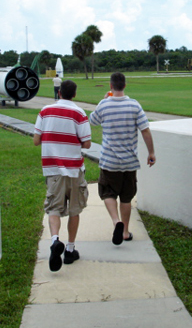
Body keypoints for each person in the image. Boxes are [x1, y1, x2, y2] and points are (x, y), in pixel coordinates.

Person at [89, 72, 156, 245]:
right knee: (126, 198)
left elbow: (93, 120)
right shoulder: (134, 105)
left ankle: (115, 221)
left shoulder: (104, 104)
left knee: (108, 192)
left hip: (109, 160)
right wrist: (151, 152)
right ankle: (125, 231)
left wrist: (103, 100)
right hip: (129, 161)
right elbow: (145, 130)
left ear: (111, 86)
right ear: (124, 85)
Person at [34, 80, 92, 271]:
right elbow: (87, 144)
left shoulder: (44, 111)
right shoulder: (79, 113)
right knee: (74, 210)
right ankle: (70, 249)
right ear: (74, 94)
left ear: (59, 93)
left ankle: (54, 240)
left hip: (53, 170)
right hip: (74, 170)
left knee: (53, 208)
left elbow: (36, 140)